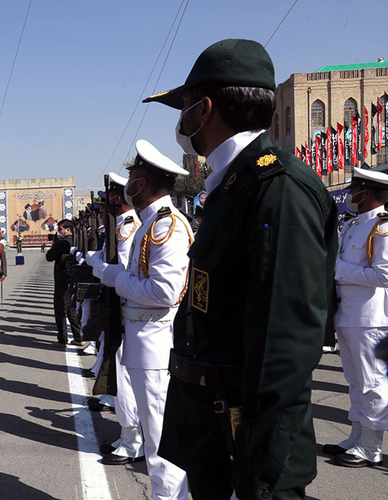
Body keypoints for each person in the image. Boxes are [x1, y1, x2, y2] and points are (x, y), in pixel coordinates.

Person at [144, 39, 338, 499]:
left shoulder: (276, 190)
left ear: (205, 109)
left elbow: (283, 350)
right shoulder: (234, 184)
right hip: (217, 436)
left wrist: (255, 475)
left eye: (185, 106)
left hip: (246, 453)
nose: (181, 119)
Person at [94, 140, 192, 499]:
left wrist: (114, 277)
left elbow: (165, 292)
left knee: (160, 435)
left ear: (144, 184)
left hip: (155, 342)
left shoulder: (168, 227)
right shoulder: (150, 225)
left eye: (133, 177)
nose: (128, 184)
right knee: (153, 434)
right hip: (140, 337)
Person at [322, 167, 388, 468]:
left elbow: (383, 275)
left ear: (369, 193)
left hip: (370, 319)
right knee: (354, 381)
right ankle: (357, 436)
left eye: (355, 190)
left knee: (372, 383)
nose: (350, 194)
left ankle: (372, 447)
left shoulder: (382, 227)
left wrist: (340, 273)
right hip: (347, 314)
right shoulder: (351, 224)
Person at [84, 172, 144, 467]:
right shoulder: (121, 226)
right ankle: (128, 436)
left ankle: (134, 440)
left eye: (108, 198)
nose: (105, 203)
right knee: (119, 372)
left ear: (118, 198)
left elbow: (118, 268)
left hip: (129, 310)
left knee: (125, 376)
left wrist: (95, 262)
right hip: (121, 307)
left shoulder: (129, 227)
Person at [45, 219, 84, 346]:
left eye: (60, 229)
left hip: (62, 279)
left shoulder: (62, 243)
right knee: (71, 309)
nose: (58, 232)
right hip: (74, 279)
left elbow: (49, 257)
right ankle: (79, 337)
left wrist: (55, 243)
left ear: (67, 229)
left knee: (60, 309)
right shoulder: (78, 240)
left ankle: (62, 339)